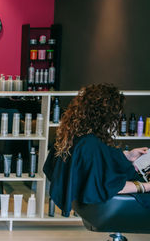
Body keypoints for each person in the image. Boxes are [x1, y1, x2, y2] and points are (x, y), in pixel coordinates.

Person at [43, 83, 150, 216]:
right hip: (113, 203)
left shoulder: (75, 135)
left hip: (93, 202)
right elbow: (112, 185)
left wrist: (127, 156)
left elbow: (94, 164)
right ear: (106, 114)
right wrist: (146, 187)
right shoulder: (91, 144)